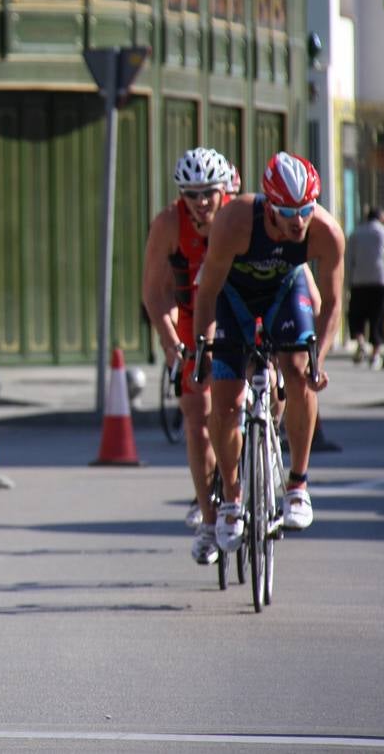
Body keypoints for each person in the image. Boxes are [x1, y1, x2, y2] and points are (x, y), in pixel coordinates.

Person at [192, 151, 345, 551]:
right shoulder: (235, 220)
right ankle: (231, 497)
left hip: (284, 292)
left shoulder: (326, 232)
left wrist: (320, 360)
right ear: (267, 206)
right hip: (233, 298)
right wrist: (202, 348)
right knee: (224, 403)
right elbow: (207, 293)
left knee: (298, 373)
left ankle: (297, 484)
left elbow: (331, 305)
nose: (298, 221)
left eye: (305, 210)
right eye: (286, 211)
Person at [142, 147, 234, 566]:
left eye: (209, 193)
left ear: (224, 190)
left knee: (252, 394)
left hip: (237, 309)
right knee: (197, 414)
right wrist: (171, 345)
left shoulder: (240, 217)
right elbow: (154, 291)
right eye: (191, 194)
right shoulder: (168, 223)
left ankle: (253, 466)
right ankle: (210, 517)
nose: (200, 203)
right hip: (191, 314)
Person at [345, 207, 384, 370]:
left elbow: (348, 258)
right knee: (378, 318)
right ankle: (375, 355)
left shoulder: (355, 233)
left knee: (356, 315)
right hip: (381, 281)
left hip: (359, 280)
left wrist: (348, 281)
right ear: (380, 218)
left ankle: (360, 342)